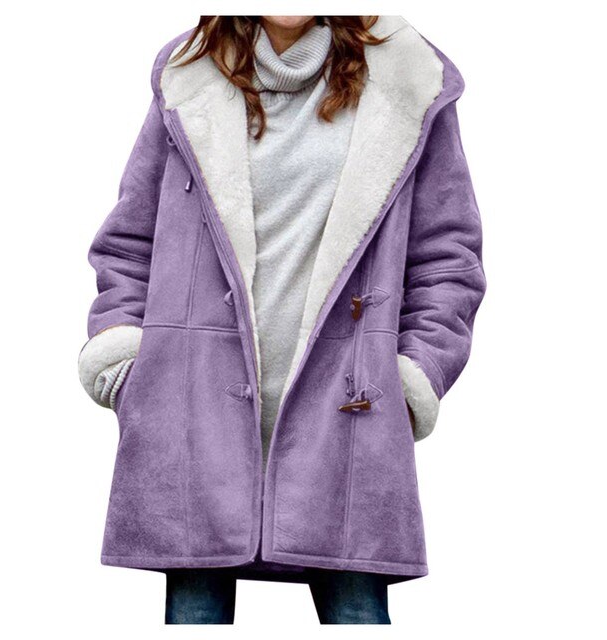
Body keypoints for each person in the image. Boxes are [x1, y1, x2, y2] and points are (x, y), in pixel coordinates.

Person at [77, 15, 486, 625]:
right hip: (192, 411)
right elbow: (130, 242)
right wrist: (124, 359)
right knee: (195, 616)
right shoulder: (190, 76)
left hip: (349, 413)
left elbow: (448, 259)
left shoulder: (406, 81)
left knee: (356, 613)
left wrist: (411, 378)